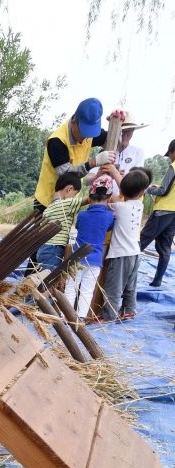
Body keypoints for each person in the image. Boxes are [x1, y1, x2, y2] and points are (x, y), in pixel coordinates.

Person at [34, 99, 122, 211]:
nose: (85, 137)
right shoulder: (57, 141)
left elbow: (116, 141)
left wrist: (115, 125)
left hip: (69, 202)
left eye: (89, 133)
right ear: (75, 120)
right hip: (47, 202)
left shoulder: (89, 134)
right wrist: (93, 162)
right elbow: (65, 175)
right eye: (83, 132)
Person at [99, 168, 150, 321]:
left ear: (121, 190)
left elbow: (106, 201)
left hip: (121, 255)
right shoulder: (140, 206)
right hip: (135, 253)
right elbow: (126, 195)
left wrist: (113, 175)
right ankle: (129, 311)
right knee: (130, 286)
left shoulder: (119, 207)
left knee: (113, 287)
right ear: (142, 192)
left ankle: (109, 316)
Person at [64, 174, 115, 319]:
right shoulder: (110, 216)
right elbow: (110, 227)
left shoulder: (82, 215)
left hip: (77, 258)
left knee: (70, 287)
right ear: (109, 197)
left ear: (90, 196)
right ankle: (80, 318)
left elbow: (79, 227)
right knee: (87, 290)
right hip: (95, 259)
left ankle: (65, 316)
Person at [86, 109, 148, 196]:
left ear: (133, 131)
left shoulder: (138, 153)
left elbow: (139, 183)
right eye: (122, 130)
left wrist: (116, 174)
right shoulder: (106, 152)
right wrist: (97, 176)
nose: (124, 134)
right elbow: (86, 180)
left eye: (129, 130)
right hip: (104, 202)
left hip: (125, 203)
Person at [139, 139, 175, 288]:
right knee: (165, 247)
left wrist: (148, 189)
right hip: (173, 214)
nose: (170, 158)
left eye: (170, 154)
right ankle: (157, 281)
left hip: (163, 211)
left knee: (141, 241)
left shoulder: (173, 167)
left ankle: (124, 274)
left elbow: (164, 190)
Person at [35, 172, 84, 272]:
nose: (74, 197)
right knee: (48, 282)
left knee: (43, 278)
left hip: (44, 249)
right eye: (74, 194)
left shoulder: (50, 207)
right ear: (69, 189)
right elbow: (89, 200)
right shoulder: (65, 204)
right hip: (54, 250)